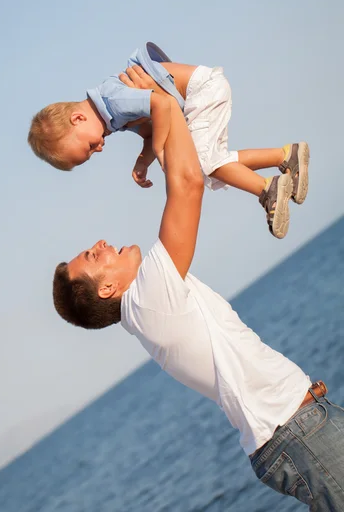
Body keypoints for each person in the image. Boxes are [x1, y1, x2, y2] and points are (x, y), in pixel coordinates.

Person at [51, 68, 343, 511]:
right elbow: (187, 183)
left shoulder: (150, 305)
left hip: (300, 427)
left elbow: (191, 171)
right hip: (297, 432)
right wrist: (163, 102)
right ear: (108, 288)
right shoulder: (149, 300)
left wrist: (158, 130)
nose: (100, 245)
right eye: (93, 257)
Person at [28, 42, 309, 239]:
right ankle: (285, 156)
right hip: (200, 94)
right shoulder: (111, 118)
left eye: (89, 147)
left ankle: (267, 189)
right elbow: (150, 131)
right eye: (93, 152)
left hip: (203, 89)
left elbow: (161, 105)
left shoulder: (112, 100)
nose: (99, 147)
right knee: (212, 167)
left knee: (201, 164)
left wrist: (161, 149)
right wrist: (143, 161)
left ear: (77, 119)